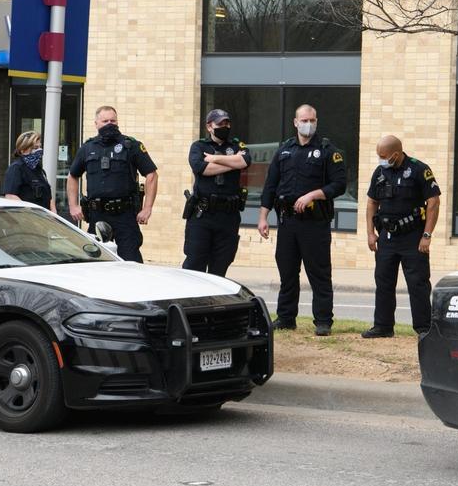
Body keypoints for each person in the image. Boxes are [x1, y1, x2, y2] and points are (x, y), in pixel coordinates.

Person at [257, 104, 347, 336]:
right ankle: (286, 318)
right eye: (304, 120)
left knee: (319, 273)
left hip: (314, 223)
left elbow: (339, 185)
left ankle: (323, 321)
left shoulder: (328, 151)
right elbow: (270, 185)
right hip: (287, 221)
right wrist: (263, 217)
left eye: (312, 120)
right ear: (295, 122)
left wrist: (312, 195)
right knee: (287, 272)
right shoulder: (284, 150)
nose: (309, 124)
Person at [363, 136, 441, 338]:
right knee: (384, 282)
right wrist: (370, 233)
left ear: (395, 155)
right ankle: (383, 326)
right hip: (387, 237)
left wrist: (427, 235)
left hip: (413, 237)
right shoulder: (380, 172)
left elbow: (433, 202)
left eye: (383, 156)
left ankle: (424, 328)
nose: (380, 159)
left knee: (418, 283)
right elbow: (372, 202)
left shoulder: (418, 170)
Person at [67, 106, 158, 262]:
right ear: (96, 123)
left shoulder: (131, 145)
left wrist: (147, 208)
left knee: (130, 263)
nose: (110, 124)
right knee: (96, 263)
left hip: (125, 215)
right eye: (105, 121)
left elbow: (152, 175)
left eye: (113, 121)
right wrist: (73, 206)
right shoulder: (88, 148)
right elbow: (72, 176)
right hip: (97, 215)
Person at [184, 108, 251, 276]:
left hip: (228, 217)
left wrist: (215, 158)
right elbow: (202, 168)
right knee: (194, 266)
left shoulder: (237, 145)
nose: (225, 126)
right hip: (202, 215)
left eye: (227, 123)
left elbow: (245, 161)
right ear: (209, 126)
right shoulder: (199, 146)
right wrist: (232, 162)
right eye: (220, 123)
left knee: (220, 268)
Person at [1, 131, 55, 211]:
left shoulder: (39, 169)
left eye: (40, 147)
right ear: (23, 150)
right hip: (27, 219)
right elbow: (11, 196)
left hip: (44, 219)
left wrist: (53, 213)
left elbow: (48, 196)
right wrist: (30, 214)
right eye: (35, 148)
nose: (39, 151)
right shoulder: (16, 168)